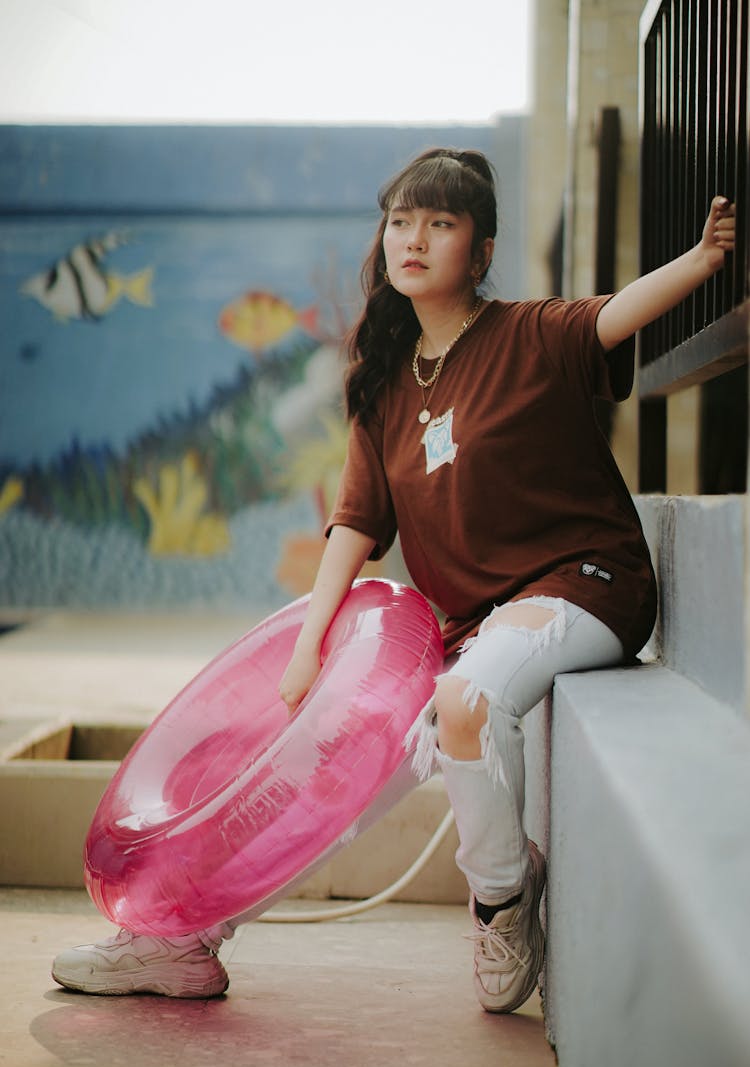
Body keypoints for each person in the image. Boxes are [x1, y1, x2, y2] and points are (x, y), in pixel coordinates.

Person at [52, 148, 735, 1010]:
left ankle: (502, 903)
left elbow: (614, 317)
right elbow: (355, 526)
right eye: (403, 220)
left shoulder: (528, 332)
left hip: (584, 582)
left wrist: (704, 260)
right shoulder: (382, 385)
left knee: (466, 706)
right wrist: (307, 656)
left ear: (480, 252)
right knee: (351, 762)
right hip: (475, 624)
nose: (415, 238)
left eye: (441, 223)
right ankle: (181, 942)